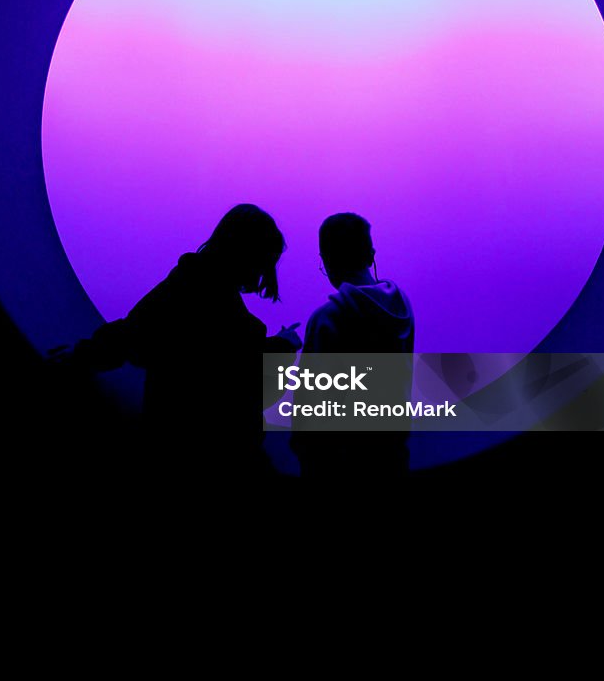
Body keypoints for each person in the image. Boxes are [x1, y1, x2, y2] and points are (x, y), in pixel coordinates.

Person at [48, 204, 301, 480]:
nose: (266, 271)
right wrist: (284, 346)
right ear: (250, 255)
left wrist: (83, 354)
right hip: (215, 454)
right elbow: (242, 372)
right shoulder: (224, 309)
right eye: (265, 260)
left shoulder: (187, 283)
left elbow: (136, 332)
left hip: (175, 443)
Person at [290, 212, 414, 478]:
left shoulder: (327, 318)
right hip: (393, 454)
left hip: (340, 465)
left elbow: (312, 407)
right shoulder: (404, 307)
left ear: (327, 260)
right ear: (371, 254)